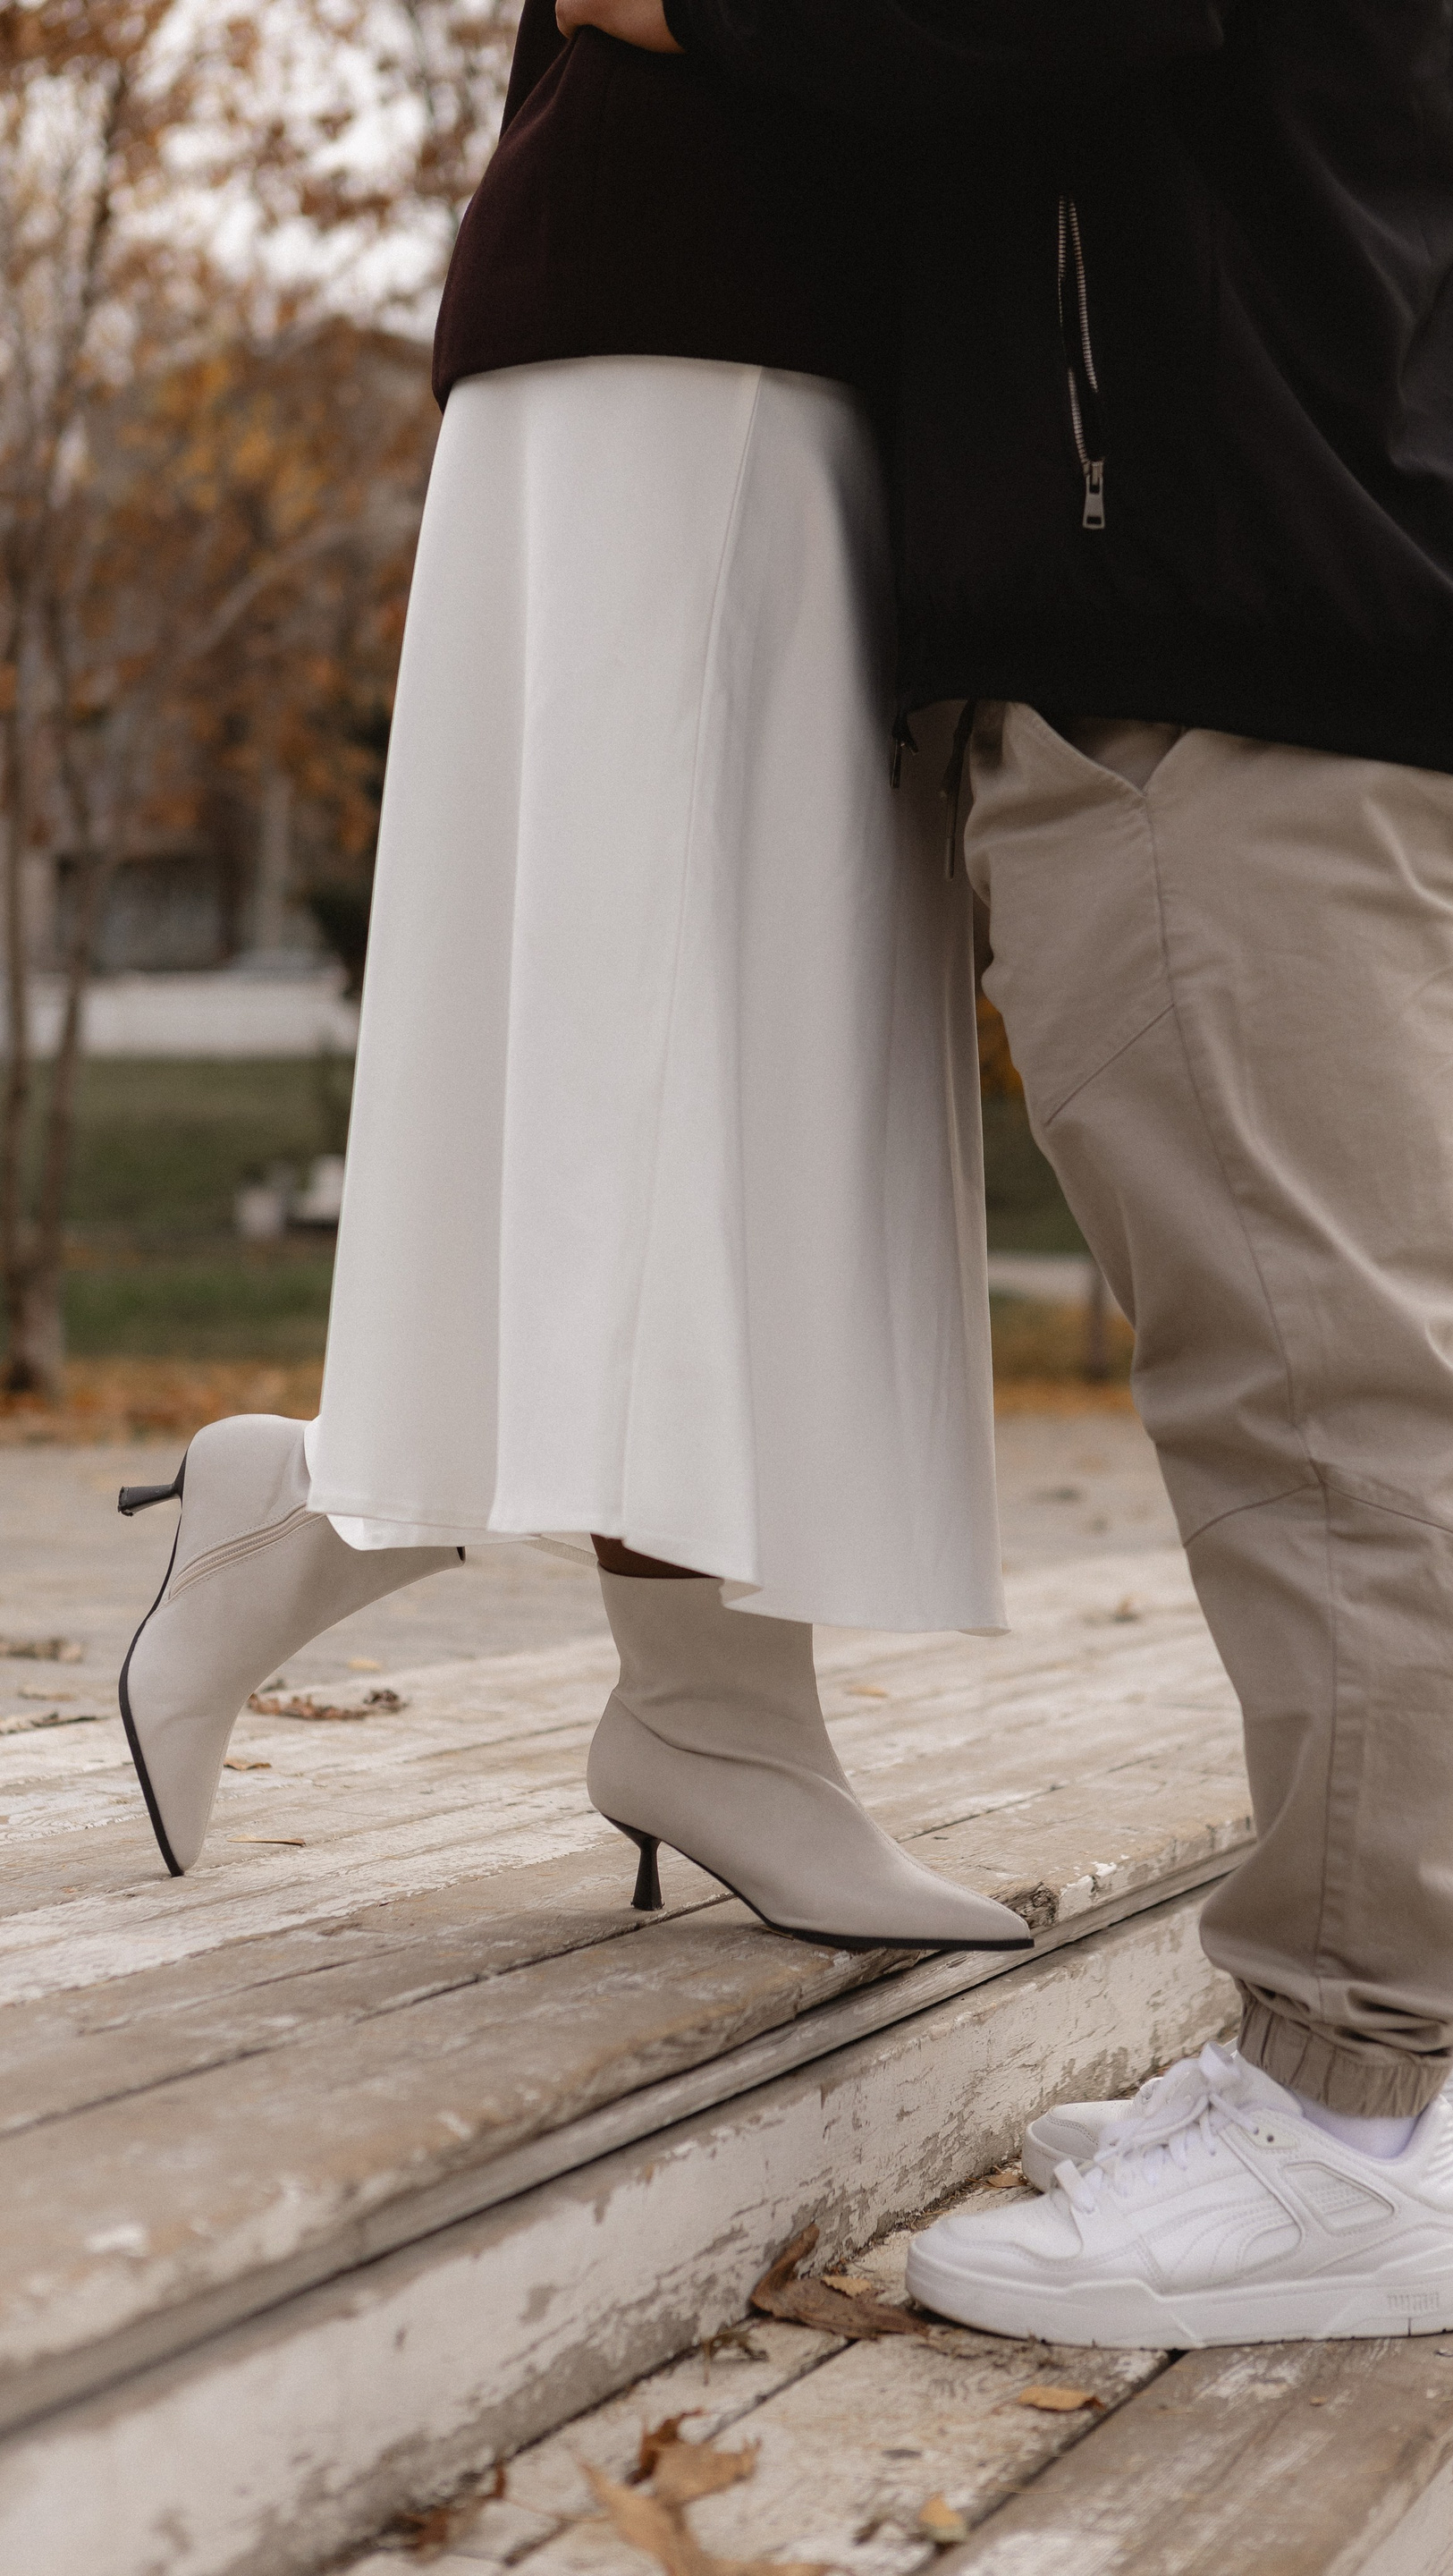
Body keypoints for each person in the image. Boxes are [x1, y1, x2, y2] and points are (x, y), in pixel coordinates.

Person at [559, 0, 1453, 2346]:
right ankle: (1413, 2079)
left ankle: (1343, 2111)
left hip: (1229, 595)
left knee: (1325, 1389)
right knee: (1406, 1366)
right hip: (1364, 576)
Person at [113, 3, 1029, 1961]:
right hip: (694, 314)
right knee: (673, 1042)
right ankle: (702, 1712)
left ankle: (332, 1528)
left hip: (802, 333)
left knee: (747, 1057)